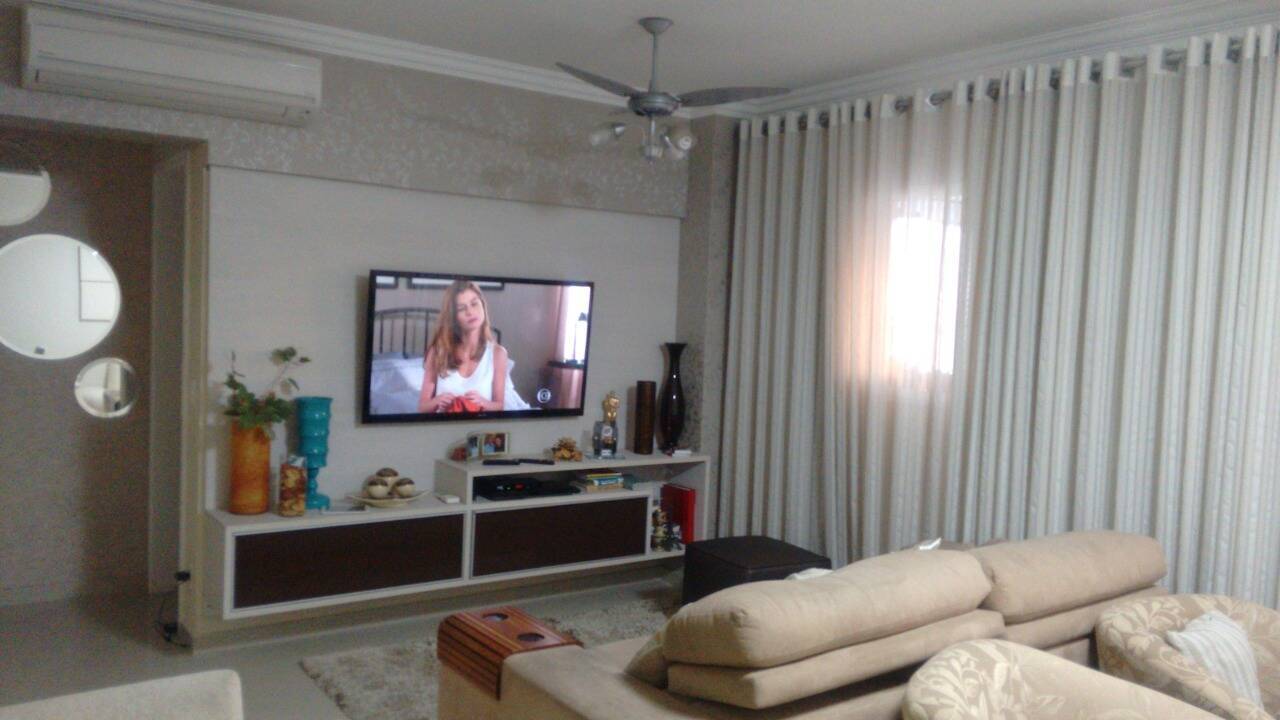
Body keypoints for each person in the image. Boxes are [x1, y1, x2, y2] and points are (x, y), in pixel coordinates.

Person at [418, 280, 512, 413]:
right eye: (461, 308)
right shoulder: (438, 352)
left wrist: (483, 403)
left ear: (483, 305)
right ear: (453, 317)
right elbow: (422, 408)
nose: (470, 312)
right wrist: (437, 401)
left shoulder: (498, 354)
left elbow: (499, 406)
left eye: (474, 304)